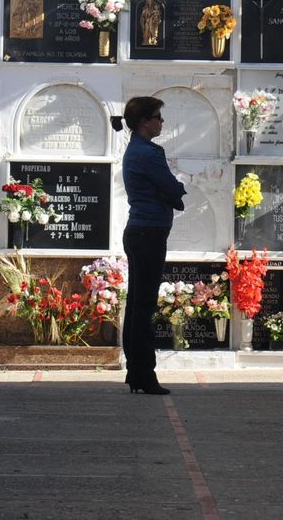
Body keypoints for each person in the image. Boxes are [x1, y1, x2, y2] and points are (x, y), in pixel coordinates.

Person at [117, 95, 185, 395]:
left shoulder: (136, 149)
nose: (161, 121)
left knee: (136, 305)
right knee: (142, 307)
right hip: (149, 233)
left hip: (140, 232)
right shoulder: (148, 153)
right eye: (157, 117)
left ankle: (136, 371)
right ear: (145, 122)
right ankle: (144, 374)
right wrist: (175, 190)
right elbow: (172, 187)